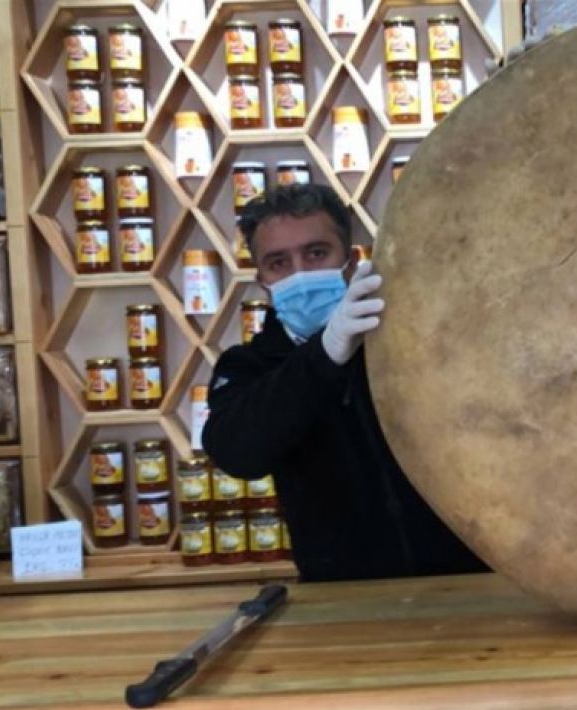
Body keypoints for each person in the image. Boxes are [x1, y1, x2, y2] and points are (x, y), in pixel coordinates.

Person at [202, 183, 487, 581]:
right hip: (340, 592)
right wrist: (322, 356)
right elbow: (237, 453)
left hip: (467, 577)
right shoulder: (248, 366)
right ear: (262, 279)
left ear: (350, 261)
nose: (300, 274)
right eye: (278, 262)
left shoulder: (412, 337)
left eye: (316, 253)